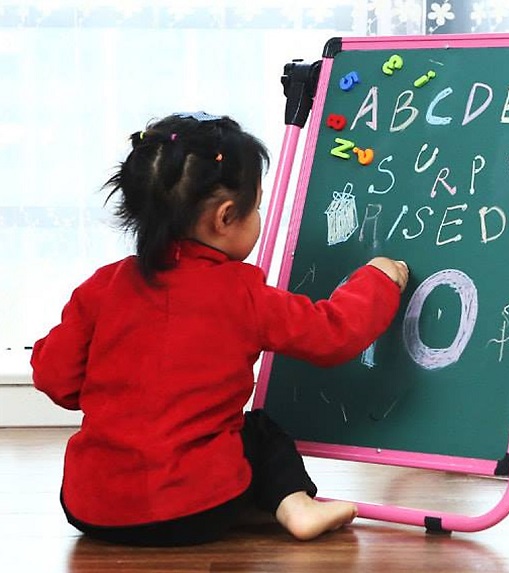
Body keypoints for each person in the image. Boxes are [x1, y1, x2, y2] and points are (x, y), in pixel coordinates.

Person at [30, 112, 409, 546]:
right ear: (225, 218)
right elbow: (333, 334)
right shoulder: (241, 292)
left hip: (93, 509)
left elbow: (55, 379)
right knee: (258, 432)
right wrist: (379, 280)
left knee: (209, 445)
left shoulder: (101, 287)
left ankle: (243, 498)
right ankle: (296, 505)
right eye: (257, 207)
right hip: (198, 512)